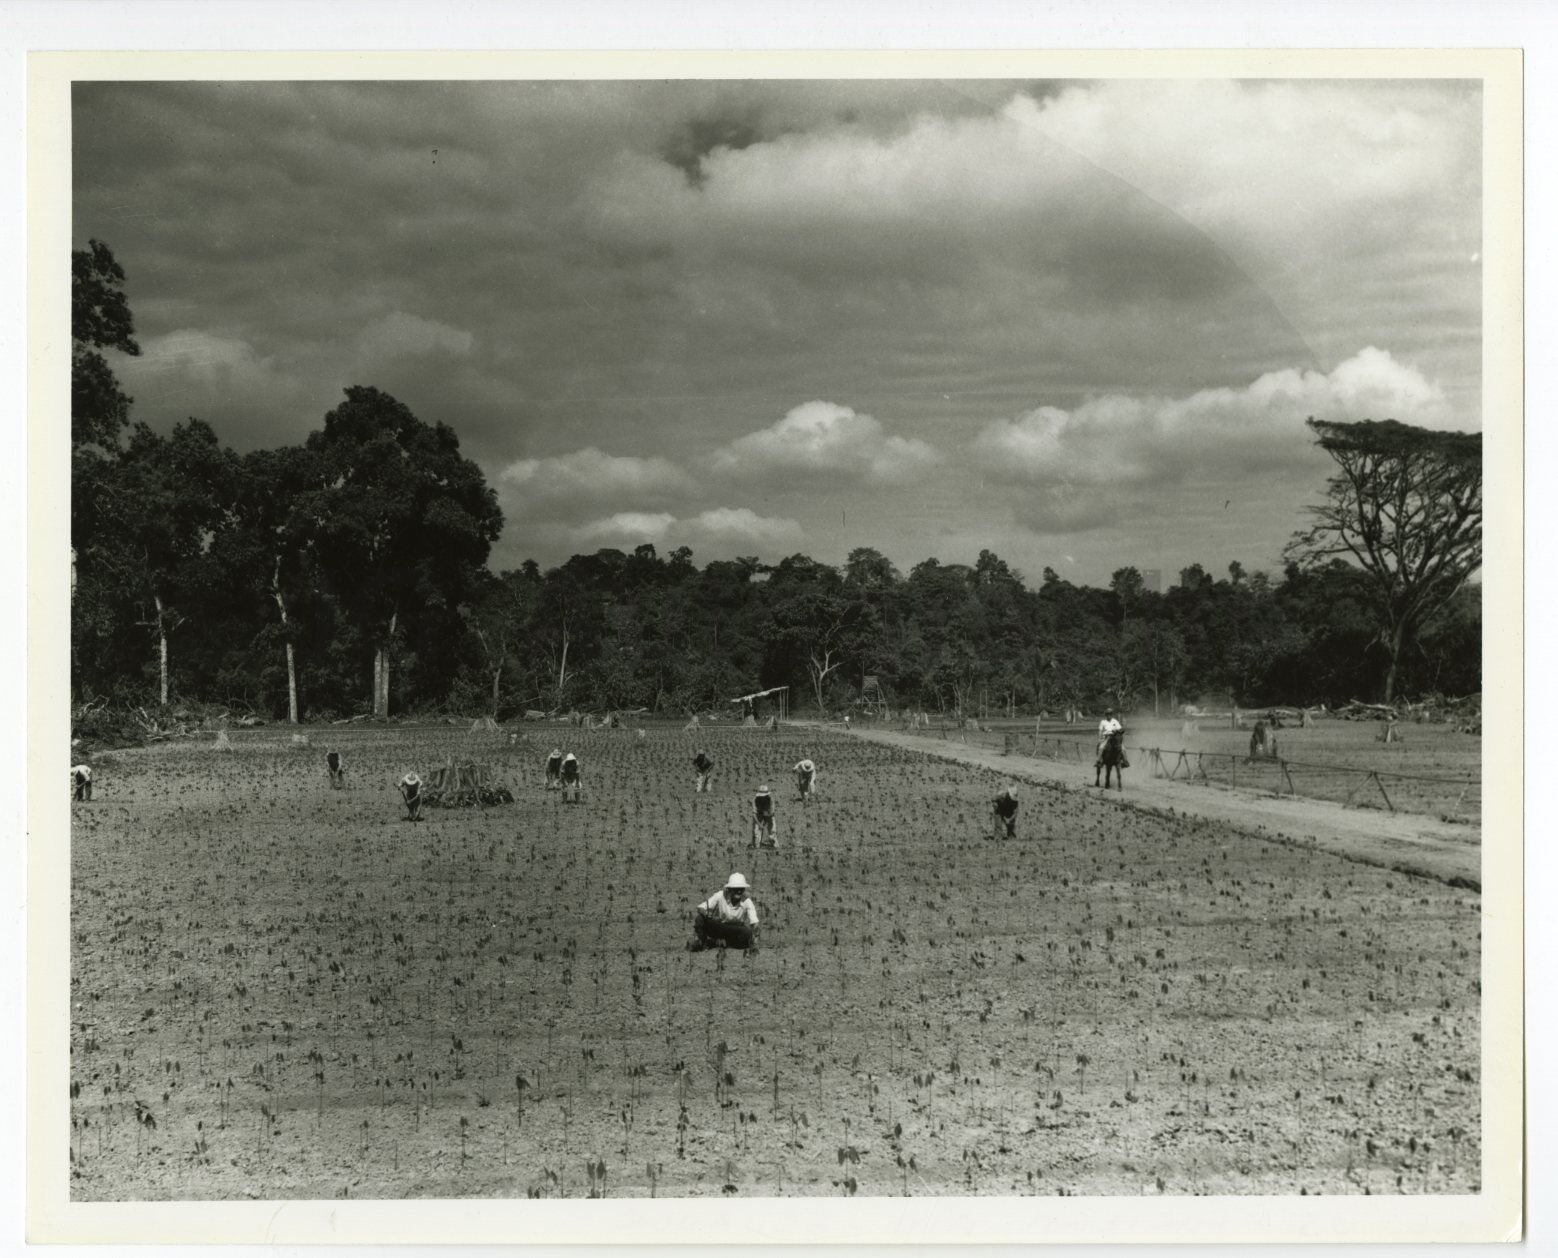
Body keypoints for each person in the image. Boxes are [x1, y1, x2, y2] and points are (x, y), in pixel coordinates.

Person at [691, 872, 759, 951]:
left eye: (741, 889)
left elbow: (754, 922)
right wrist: (706, 914)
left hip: (736, 930)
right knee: (700, 919)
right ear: (729, 889)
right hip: (720, 927)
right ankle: (702, 942)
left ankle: (719, 943)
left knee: (747, 933)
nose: (739, 891)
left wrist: (755, 939)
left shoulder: (747, 901)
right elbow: (701, 907)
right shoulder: (720, 895)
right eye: (736, 889)